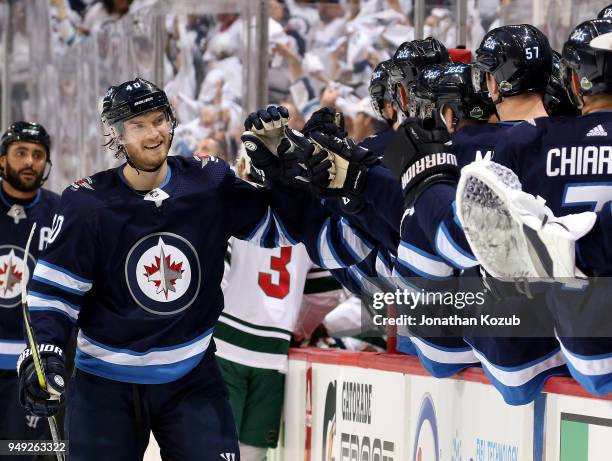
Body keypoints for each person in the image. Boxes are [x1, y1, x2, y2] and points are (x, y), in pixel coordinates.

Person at [16, 78, 372, 461]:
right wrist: (47, 350)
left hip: (192, 377)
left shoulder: (209, 183)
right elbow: (55, 296)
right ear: (116, 135)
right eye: (138, 125)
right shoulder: (86, 205)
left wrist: (282, 178)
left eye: (159, 120)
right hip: (105, 382)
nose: (153, 134)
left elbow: (282, 230)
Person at [216, 154, 345, 461]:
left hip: (224, 349)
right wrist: (295, 327)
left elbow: (213, 281)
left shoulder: (233, 210)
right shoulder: (308, 225)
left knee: (214, 449)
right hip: (272, 356)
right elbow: (325, 295)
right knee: (252, 454)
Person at [0, 122, 59, 460]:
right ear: (2, 160)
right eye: (20, 153)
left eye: (37, 155)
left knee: (21, 452)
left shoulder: (61, 212)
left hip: (31, 368)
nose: (29, 162)